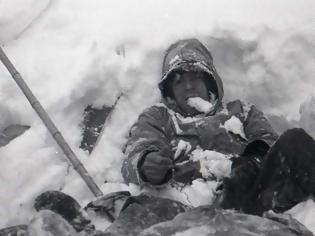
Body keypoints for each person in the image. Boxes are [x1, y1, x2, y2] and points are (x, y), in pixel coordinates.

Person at [122, 38, 315, 216]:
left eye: (195, 77)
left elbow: (270, 143)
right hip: (185, 211)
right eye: (179, 80)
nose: (189, 86)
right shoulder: (158, 116)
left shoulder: (241, 111)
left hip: (247, 200)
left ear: (209, 80)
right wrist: (146, 164)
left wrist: (252, 163)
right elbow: (137, 150)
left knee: (296, 142)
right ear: (169, 89)